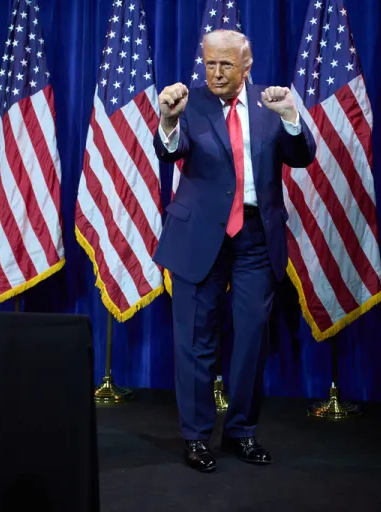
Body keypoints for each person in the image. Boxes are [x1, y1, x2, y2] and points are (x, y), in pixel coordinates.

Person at [152, 29, 316, 473]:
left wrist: (291, 118)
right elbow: (172, 150)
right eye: (209, 63)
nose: (216, 73)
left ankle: (242, 431)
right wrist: (168, 121)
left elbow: (302, 156)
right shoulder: (189, 101)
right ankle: (196, 438)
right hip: (199, 238)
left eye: (226, 64)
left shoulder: (270, 103)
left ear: (247, 65)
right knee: (195, 343)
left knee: (250, 340)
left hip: (254, 240)